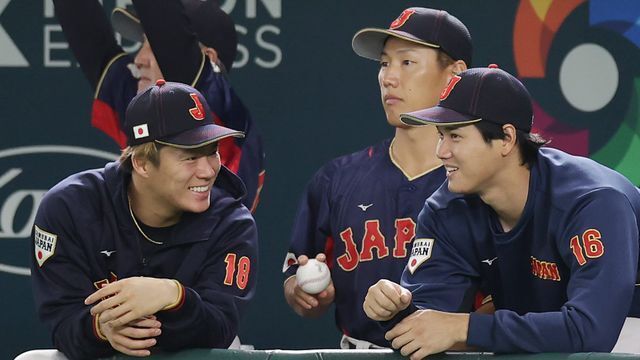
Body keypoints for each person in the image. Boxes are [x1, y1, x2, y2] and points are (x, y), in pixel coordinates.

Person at [363, 66, 640, 357]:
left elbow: (591, 333)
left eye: (455, 136)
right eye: (440, 135)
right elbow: (429, 326)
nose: (441, 151)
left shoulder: (591, 201)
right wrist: (395, 311)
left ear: (506, 138)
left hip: (623, 325)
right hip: (552, 330)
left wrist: (465, 328)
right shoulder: (446, 210)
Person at [281, 7, 472, 348]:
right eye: (385, 63)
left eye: (407, 62)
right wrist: (304, 292)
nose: (388, 77)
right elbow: (296, 280)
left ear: (454, 74)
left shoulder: (482, 183)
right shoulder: (336, 179)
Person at [30, 81, 258, 359]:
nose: (208, 171)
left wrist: (173, 296)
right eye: (190, 157)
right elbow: (62, 321)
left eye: (212, 152)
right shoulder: (69, 208)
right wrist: (101, 328)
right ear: (142, 164)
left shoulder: (231, 221)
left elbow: (221, 328)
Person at [53, 0, 265, 212]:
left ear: (207, 59)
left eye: (153, 45)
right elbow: (86, 30)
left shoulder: (216, 111)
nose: (139, 59)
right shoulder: (152, 110)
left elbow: (159, 11)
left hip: (206, 243)